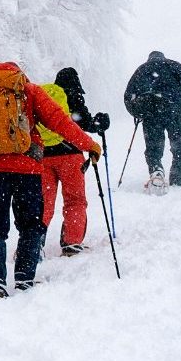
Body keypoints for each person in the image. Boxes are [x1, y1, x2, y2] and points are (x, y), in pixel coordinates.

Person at [0, 61, 100, 299]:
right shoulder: (28, 91)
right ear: (17, 72)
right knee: (30, 224)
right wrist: (88, 144)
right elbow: (60, 122)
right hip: (26, 167)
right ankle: (25, 279)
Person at [39, 67, 110, 256]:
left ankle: (33, 244)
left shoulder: (43, 99)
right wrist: (100, 123)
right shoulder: (74, 96)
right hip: (71, 157)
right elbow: (86, 124)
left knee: (43, 203)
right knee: (74, 200)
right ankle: (71, 243)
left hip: (42, 158)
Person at [122, 50, 181, 189]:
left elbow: (128, 97)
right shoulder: (171, 65)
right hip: (172, 111)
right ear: (163, 57)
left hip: (151, 114)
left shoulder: (142, 69)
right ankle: (176, 173)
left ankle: (156, 172)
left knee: (153, 147)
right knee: (179, 144)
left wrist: (138, 111)